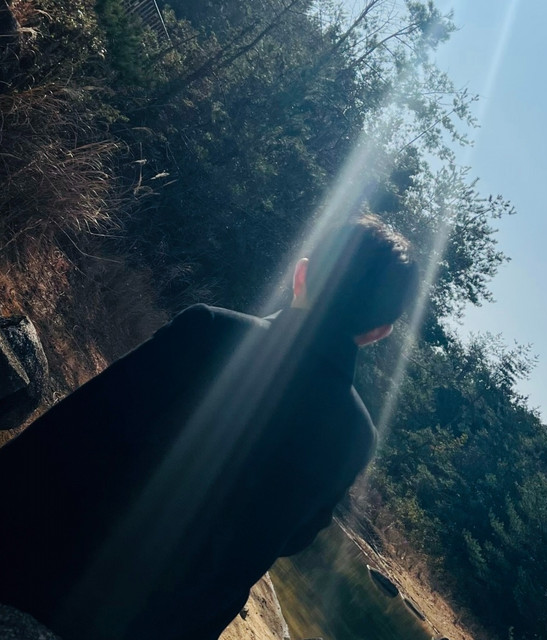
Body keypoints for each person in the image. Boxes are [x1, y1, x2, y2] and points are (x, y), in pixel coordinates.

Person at [0, 213, 418, 640]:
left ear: (302, 274)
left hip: (55, 582)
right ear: (378, 332)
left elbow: (75, 430)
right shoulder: (356, 439)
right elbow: (294, 539)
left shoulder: (212, 331)